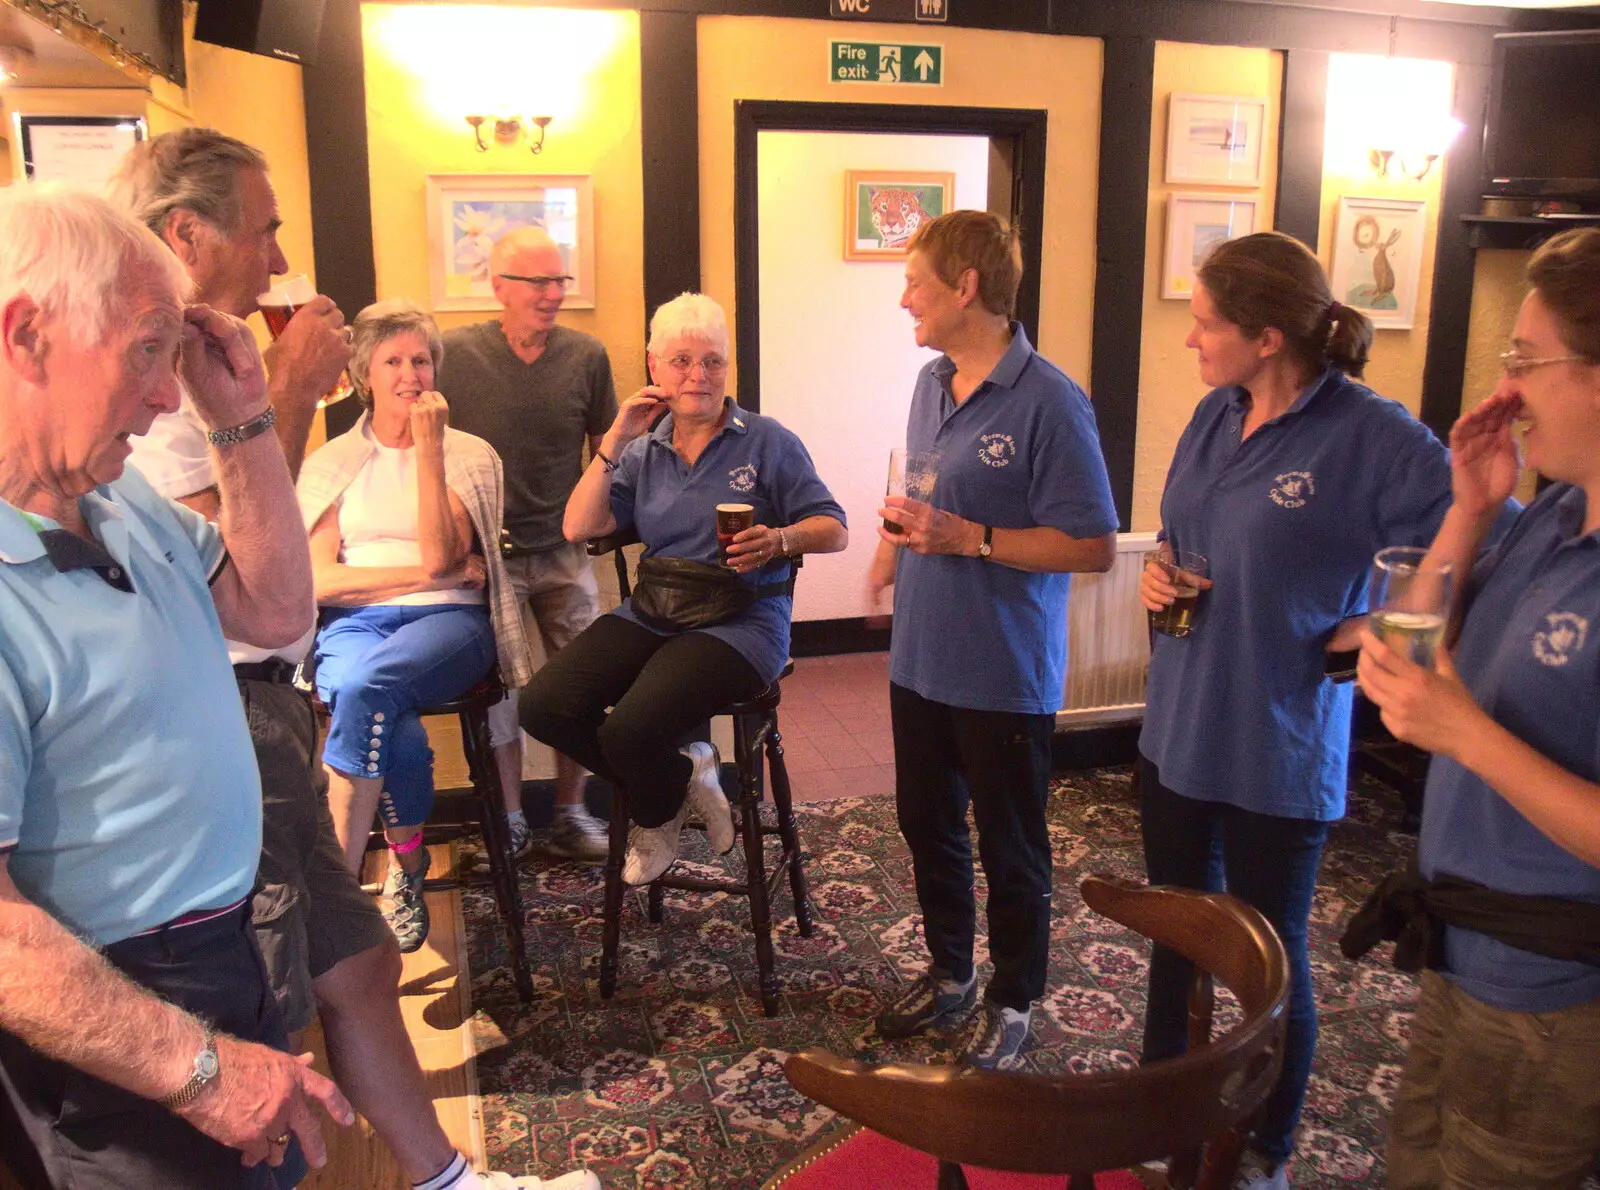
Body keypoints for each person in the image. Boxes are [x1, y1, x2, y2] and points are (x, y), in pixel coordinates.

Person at [112, 129, 593, 1190]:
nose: (280, 258)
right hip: (225, 704)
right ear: (188, 232)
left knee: (360, 958)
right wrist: (279, 394)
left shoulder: (223, 354)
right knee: (272, 986)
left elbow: (419, 559)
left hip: (296, 684)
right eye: (266, 226)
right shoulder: (163, 372)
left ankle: (446, 1177)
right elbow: (245, 568)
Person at [0, 186, 352, 1188]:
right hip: (107, 1009)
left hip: (226, 943)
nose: (166, 396)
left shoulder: (116, 498)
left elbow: (277, 611)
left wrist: (242, 418)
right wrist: (197, 1070)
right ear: (27, 336)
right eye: (148, 348)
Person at [1136, 231, 1453, 1189]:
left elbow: (1464, 554)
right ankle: (1166, 1116)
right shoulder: (1209, 415)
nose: (1191, 340)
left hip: (1277, 742)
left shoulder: (1373, 434)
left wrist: (1362, 632)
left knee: (1270, 967)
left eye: (1204, 324)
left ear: (1268, 336)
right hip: (1177, 728)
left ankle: (1266, 1149)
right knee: (1177, 939)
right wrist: (1157, 574)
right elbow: (1182, 534)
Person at [1357, 228, 1600, 1190]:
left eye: (1525, 361)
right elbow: (1410, 639)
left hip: (1554, 988)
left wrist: (1465, 735)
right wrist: (1471, 507)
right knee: (1416, 1167)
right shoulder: (1555, 511)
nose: (1507, 388)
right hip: (1464, 948)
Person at [866, 210, 1120, 1071]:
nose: (904, 299)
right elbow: (924, 489)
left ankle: (1015, 997)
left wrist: (971, 538)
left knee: (1009, 845)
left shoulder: (1052, 399)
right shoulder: (931, 383)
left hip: (1004, 672)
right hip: (919, 659)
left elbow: (1091, 546)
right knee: (926, 824)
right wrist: (890, 551)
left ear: (965, 287)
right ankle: (949, 975)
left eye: (916, 283)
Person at [520, 292, 846, 885]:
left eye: (713, 361)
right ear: (654, 367)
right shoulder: (643, 450)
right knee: (542, 706)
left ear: (727, 367)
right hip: (656, 610)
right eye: (682, 361)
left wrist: (780, 541)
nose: (699, 375)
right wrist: (616, 438)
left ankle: (656, 810)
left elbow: (835, 529)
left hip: (743, 619)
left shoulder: (768, 441)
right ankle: (680, 776)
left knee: (628, 729)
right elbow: (578, 526)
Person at [299, 300, 533, 953]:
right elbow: (319, 581)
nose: (411, 374)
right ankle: (407, 863)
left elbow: (442, 552)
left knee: (366, 687)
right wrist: (425, 576)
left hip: (450, 627)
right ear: (363, 374)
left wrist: (428, 448)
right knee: (375, 702)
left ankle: (336, 907)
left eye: (422, 359)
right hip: (354, 623)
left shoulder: (469, 456)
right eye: (393, 361)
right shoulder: (331, 463)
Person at [435, 227, 618, 864]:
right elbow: (425, 450)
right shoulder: (453, 354)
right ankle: (509, 822)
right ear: (498, 288)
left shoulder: (586, 356)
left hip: (565, 553)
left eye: (558, 281)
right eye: (537, 282)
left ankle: (571, 812)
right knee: (498, 699)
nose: (551, 294)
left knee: (583, 689)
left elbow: (610, 450)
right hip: (486, 561)